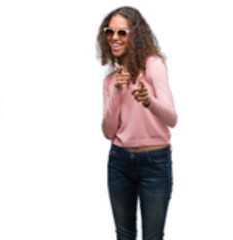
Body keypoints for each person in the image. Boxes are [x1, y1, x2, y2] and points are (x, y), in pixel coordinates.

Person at [98, 6, 177, 240]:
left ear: (135, 35)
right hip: (119, 161)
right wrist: (116, 91)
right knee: (124, 235)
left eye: (122, 32)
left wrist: (148, 100)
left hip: (155, 163)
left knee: (152, 236)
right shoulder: (111, 80)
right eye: (109, 31)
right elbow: (108, 131)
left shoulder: (153, 65)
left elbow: (172, 118)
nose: (114, 37)